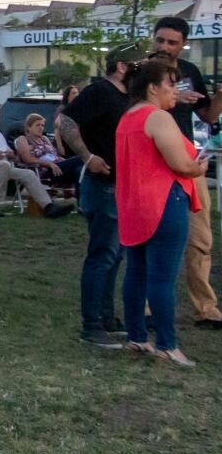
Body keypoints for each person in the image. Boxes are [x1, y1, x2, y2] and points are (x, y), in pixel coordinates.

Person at [116, 59, 205, 367]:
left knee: (137, 273)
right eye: (170, 84)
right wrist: (199, 167)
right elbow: (180, 165)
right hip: (164, 202)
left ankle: (137, 338)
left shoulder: (127, 117)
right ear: (153, 88)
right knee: (162, 278)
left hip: (133, 204)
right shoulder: (158, 117)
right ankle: (167, 345)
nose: (175, 91)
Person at [56, 44, 138, 349]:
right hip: (103, 185)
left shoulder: (123, 95)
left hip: (120, 185)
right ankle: (91, 325)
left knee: (115, 255)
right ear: (121, 66)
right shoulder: (101, 91)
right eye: (136, 64)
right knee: (102, 255)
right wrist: (88, 157)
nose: (139, 68)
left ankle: (105, 318)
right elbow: (66, 121)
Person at [147, 16, 222, 329]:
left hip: (188, 162)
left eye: (172, 42)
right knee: (151, 236)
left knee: (201, 237)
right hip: (152, 162)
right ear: (152, 39)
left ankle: (206, 308)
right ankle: (148, 307)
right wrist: (174, 96)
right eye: (160, 40)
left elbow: (206, 115)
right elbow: (136, 106)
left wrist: (218, 97)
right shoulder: (141, 70)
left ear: (182, 44)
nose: (165, 47)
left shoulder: (190, 71)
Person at [0, 105, 73, 219]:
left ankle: (49, 207)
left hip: (1, 167)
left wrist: (11, 154)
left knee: (28, 174)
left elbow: (8, 154)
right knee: (3, 165)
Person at [14, 113, 82, 185]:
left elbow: (54, 155)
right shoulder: (23, 139)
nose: (41, 128)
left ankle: (80, 195)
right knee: (81, 158)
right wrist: (49, 164)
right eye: (37, 125)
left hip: (58, 167)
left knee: (79, 171)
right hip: (46, 171)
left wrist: (64, 161)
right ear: (28, 127)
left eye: (42, 125)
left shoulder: (44, 139)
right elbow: (27, 159)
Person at [54, 85, 81, 156]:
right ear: (67, 96)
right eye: (73, 93)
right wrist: (60, 146)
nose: (76, 95)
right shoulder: (63, 109)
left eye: (77, 93)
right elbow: (57, 129)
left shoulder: (78, 109)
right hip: (64, 144)